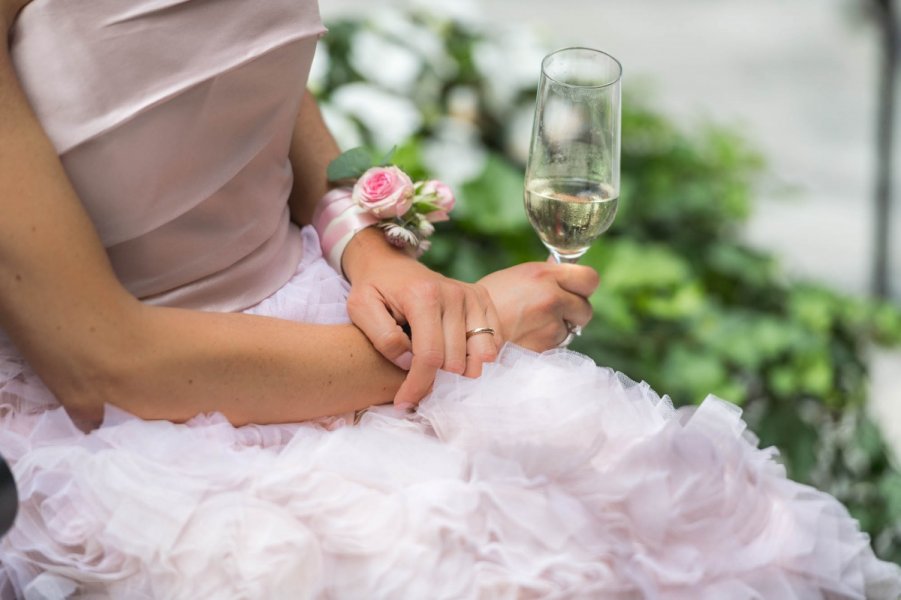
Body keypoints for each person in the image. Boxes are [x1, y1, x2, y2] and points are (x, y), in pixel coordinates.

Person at [0, 0, 898, 598]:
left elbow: (251, 79)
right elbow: (101, 365)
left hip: (323, 313)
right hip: (131, 439)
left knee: (697, 519)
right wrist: (482, 329)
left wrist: (359, 237)